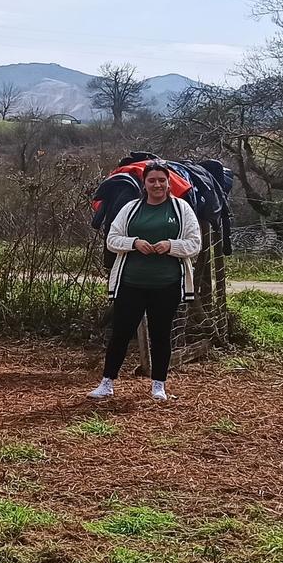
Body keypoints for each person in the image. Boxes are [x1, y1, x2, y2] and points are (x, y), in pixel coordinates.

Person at [90, 160, 204, 402]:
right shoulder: (131, 209)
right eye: (152, 180)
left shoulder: (181, 209)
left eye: (162, 180)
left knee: (161, 334)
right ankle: (107, 383)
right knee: (120, 333)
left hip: (167, 284)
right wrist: (134, 243)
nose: (157, 185)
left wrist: (170, 246)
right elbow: (112, 239)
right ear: (144, 183)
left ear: (168, 182)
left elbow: (195, 244)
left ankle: (158, 385)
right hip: (131, 283)